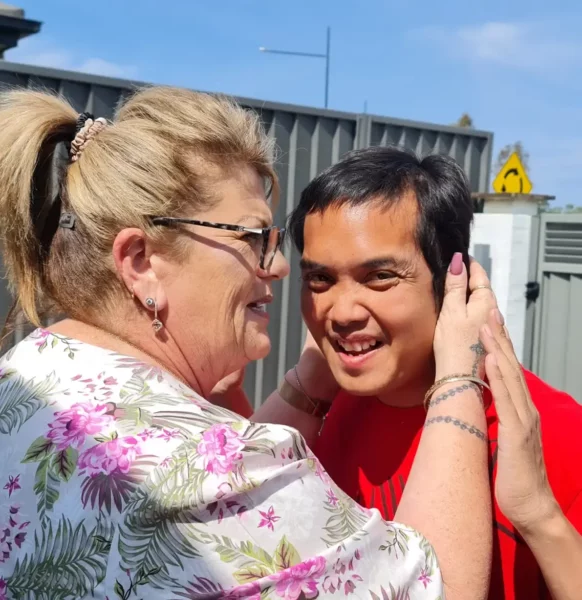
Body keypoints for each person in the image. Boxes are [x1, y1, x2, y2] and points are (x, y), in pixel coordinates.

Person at [0, 87, 496, 599]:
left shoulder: (22, 382)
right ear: (141, 262)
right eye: (252, 238)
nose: (278, 267)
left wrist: (308, 383)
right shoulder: (209, 471)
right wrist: (460, 375)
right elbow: (442, 587)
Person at [280, 146, 582, 600]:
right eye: (319, 280)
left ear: (449, 278)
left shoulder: (548, 428)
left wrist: (540, 516)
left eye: (379, 276)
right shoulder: (323, 413)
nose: (339, 312)